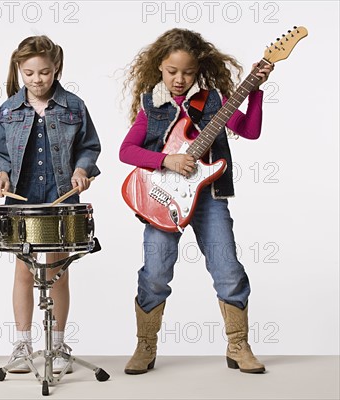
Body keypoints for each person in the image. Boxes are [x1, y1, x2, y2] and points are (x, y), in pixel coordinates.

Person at [119, 28, 274, 374]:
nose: (179, 78)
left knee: (227, 268)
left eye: (187, 72)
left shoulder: (215, 101)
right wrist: (166, 160)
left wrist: (256, 90)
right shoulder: (152, 104)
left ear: (197, 70)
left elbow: (250, 130)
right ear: (160, 66)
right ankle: (145, 345)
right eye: (172, 71)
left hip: (210, 198)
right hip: (163, 201)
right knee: (156, 272)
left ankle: (238, 344)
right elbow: (126, 151)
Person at [0, 35, 101, 374]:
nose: (37, 80)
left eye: (44, 73)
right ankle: (23, 343)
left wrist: (82, 170)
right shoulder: (8, 109)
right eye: (29, 73)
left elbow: (89, 146)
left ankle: (57, 343)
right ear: (19, 71)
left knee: (57, 272)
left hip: (60, 196)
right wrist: (1, 175)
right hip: (22, 199)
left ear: (57, 70)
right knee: (24, 269)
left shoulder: (75, 106)